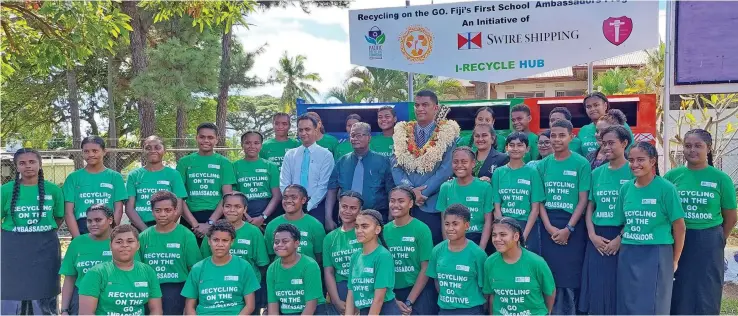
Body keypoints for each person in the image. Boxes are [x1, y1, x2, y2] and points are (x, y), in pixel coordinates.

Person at [667, 129, 737, 315]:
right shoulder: (673, 176)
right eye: (688, 146)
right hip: (678, 239)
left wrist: (719, 238)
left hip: (708, 240)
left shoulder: (721, 179)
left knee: (706, 288)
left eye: (698, 146)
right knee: (679, 285)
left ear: (709, 148)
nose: (692, 150)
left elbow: (730, 215)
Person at [615, 141, 686, 315]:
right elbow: (625, 223)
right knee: (628, 302)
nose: (635, 164)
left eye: (641, 160)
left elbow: (680, 227)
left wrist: (674, 259)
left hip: (656, 253)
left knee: (655, 304)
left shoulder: (666, 189)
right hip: (629, 252)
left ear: (653, 161)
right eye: (631, 160)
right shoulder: (625, 188)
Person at [536, 119, 591, 315]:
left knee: (569, 275)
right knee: (550, 273)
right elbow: (539, 201)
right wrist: (549, 227)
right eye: (553, 135)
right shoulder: (542, 165)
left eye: (561, 135)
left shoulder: (581, 163)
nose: (556, 139)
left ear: (571, 137)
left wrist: (569, 228)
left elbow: (583, 199)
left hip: (573, 227)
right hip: (548, 225)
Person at [1, 148, 64, 315]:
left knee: (44, 289)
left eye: (32, 162)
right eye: (22, 163)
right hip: (13, 249)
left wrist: (41, 232)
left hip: (45, 247)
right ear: (16, 167)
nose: (28, 166)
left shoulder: (53, 190)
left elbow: (59, 217)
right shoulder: (5, 190)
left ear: (40, 164)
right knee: (12, 290)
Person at [391, 90, 459, 245]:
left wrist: (422, 193)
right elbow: (395, 165)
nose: (420, 108)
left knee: (430, 251)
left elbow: (446, 170)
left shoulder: (447, 133)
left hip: (431, 204)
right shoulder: (402, 132)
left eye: (425, 105)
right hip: (405, 205)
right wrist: (409, 191)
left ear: (436, 108)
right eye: (417, 105)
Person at [579, 125, 632, 315]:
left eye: (611, 143)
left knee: (619, 288)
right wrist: (592, 235)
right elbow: (590, 206)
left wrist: (620, 238)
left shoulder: (634, 171)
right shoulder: (596, 173)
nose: (606, 147)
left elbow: (638, 211)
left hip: (623, 237)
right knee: (596, 287)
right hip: (597, 237)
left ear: (624, 143)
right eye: (603, 143)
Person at [200, 192, 270, 314]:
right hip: (218, 290)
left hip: (248, 289)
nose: (232, 210)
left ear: (245, 209)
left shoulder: (253, 232)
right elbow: (203, 264)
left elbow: (262, 264)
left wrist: (249, 283)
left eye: (237, 206)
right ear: (222, 208)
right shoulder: (211, 232)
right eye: (228, 206)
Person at [138, 190, 202, 315]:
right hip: (149, 290)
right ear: (152, 211)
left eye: (167, 210)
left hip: (178, 289)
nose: (163, 214)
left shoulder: (186, 235)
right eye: (158, 210)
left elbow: (194, 270)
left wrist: (191, 303)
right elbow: (137, 269)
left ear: (175, 210)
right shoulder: (143, 237)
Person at [78, 225, 163, 315]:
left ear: (138, 245)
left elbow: (156, 310)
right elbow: (85, 313)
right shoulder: (96, 273)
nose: (125, 245)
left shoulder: (148, 271)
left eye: (130, 241)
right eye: (119, 242)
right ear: (110, 245)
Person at [182, 220, 261, 315]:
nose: (220, 245)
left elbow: (250, 306)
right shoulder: (197, 269)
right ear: (209, 241)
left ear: (232, 242)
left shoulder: (244, 266)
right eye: (215, 240)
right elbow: (189, 307)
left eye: (225, 240)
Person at [176, 123, 236, 241]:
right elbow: (179, 197)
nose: (206, 140)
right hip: (190, 216)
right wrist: (194, 224)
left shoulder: (224, 163)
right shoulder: (184, 162)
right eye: (202, 137)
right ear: (196, 138)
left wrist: (210, 223)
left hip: (217, 216)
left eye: (210, 137)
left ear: (217, 139)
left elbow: (227, 196)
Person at [484, 217, 556, 315]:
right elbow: (492, 294)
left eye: (503, 235)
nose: (497, 239)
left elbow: (550, 292)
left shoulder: (536, 262)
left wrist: (548, 312)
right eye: (494, 235)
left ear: (516, 236)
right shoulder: (490, 262)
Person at [327, 122, 393, 228]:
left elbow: (391, 190)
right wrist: (328, 218)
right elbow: (332, 190)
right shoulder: (342, 161)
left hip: (375, 218)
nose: (354, 139)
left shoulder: (382, 161)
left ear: (369, 138)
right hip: (347, 219)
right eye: (352, 135)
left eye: (359, 135)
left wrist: (391, 215)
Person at [384, 186, 437, 315]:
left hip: (418, 292)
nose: (395, 205)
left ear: (411, 203)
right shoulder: (383, 230)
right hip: (391, 294)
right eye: (392, 200)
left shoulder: (421, 229)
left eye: (401, 201)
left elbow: (426, 267)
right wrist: (393, 299)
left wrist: (409, 302)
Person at [59, 205, 119, 316]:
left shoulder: (121, 242)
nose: (93, 224)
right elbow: (70, 278)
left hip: (114, 298)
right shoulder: (77, 243)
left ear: (110, 220)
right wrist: (64, 310)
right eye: (89, 221)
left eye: (98, 220)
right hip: (81, 299)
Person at [427, 204, 487, 315]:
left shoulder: (478, 254)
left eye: (455, 224)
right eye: (447, 224)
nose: (450, 228)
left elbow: (485, 288)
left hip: (471, 310)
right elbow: (436, 280)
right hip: (445, 310)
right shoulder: (437, 250)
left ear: (467, 225)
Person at [492, 132, 545, 254]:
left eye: (520, 145)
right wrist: (502, 231)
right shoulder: (498, 173)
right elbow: (497, 207)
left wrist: (522, 236)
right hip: (505, 224)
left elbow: (535, 209)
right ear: (506, 148)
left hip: (527, 225)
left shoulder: (532, 172)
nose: (515, 148)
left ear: (527, 149)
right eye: (511, 145)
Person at [64, 136, 126, 236]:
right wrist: (78, 239)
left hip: (107, 227)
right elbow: (68, 212)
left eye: (95, 151)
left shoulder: (115, 177)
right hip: (81, 227)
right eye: (86, 151)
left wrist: (111, 234)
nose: (91, 154)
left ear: (104, 151)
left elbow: (118, 210)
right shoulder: (73, 178)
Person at [280, 114, 334, 226]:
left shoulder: (326, 155)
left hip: (315, 207)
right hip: (291, 206)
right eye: (300, 130)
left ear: (316, 130)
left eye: (307, 129)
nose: (303, 133)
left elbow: (323, 186)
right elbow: (284, 182)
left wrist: (306, 206)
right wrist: (291, 202)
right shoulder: (290, 155)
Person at [436, 147, 494, 252]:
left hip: (477, 238)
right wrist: (448, 246)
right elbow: (444, 221)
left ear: (473, 163)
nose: (459, 165)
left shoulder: (485, 187)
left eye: (464, 162)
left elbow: (488, 221)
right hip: (453, 239)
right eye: (455, 162)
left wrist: (481, 249)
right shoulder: (445, 187)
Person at [126, 136, 188, 230]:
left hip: (166, 227)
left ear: (164, 150)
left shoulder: (174, 175)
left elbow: (178, 208)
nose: (152, 151)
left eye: (157, 147)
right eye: (148, 148)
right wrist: (146, 231)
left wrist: (164, 228)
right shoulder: (133, 175)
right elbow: (129, 208)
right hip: (140, 226)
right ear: (143, 150)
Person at [345, 209, 400, 315]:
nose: (359, 230)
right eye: (357, 226)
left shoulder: (383, 256)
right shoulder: (355, 256)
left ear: (377, 229)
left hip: (384, 311)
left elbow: (378, 299)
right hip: (365, 311)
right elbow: (351, 293)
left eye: (364, 226)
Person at [267, 223, 329, 315]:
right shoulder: (272, 269)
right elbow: (273, 307)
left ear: (296, 243)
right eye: (276, 242)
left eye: (285, 241)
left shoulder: (310, 265)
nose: (279, 245)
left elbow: (311, 306)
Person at [323, 191, 364, 315]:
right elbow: (329, 272)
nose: (347, 211)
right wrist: (336, 301)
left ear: (360, 210)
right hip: (340, 289)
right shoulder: (330, 238)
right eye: (344, 206)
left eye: (353, 208)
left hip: (364, 288)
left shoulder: (366, 233)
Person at [265, 185, 326, 263]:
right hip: (281, 273)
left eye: (293, 197)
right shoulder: (272, 225)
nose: (288, 200)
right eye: (285, 197)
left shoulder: (315, 225)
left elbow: (319, 257)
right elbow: (271, 256)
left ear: (303, 200)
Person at [233, 131, 282, 227]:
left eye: (256, 143)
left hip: (267, 212)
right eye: (247, 143)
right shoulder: (234, 166)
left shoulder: (270, 166)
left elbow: (276, 196)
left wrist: (263, 216)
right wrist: (244, 214)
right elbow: (233, 195)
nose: (252, 146)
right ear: (242, 145)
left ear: (261, 145)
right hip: (243, 214)